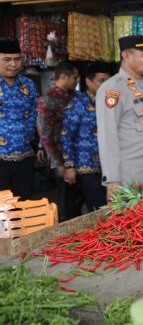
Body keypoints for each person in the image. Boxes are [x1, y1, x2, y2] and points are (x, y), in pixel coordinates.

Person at [96, 35, 143, 199]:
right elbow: (107, 136)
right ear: (126, 56)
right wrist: (112, 179)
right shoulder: (113, 89)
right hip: (129, 183)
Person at [61, 63, 111, 212]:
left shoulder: (112, 102)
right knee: (98, 208)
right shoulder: (78, 103)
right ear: (88, 81)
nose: (106, 85)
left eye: (108, 80)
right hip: (87, 166)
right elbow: (66, 135)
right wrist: (69, 165)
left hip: (111, 166)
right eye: (101, 80)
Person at [37, 62, 81, 220]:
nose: (76, 81)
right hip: (62, 158)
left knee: (78, 200)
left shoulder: (75, 97)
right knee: (66, 203)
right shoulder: (48, 100)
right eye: (74, 78)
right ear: (64, 76)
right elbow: (45, 134)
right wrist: (59, 163)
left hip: (80, 157)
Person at [0, 38, 38, 199]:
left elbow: (36, 115)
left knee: (24, 205)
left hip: (25, 157)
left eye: (17, 59)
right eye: (7, 60)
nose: (13, 64)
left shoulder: (28, 85)